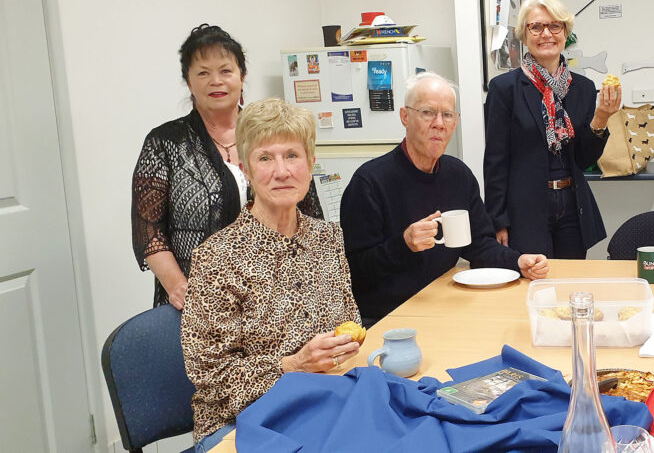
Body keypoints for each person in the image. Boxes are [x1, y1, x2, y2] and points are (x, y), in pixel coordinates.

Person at [181, 99, 361, 451]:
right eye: (265, 158)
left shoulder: (328, 239)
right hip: (240, 424)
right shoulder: (217, 258)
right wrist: (293, 366)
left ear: (310, 163)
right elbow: (212, 379)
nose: (282, 171)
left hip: (323, 402)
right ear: (245, 168)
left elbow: (348, 324)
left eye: (292, 156)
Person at [131, 24, 322, 309]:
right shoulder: (165, 142)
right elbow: (149, 230)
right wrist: (178, 287)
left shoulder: (271, 132)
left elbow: (309, 213)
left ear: (241, 77)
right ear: (188, 81)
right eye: (203, 73)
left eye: (225, 71)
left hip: (278, 296)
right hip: (199, 301)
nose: (215, 81)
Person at [340, 72, 548, 326]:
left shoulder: (458, 175)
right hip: (389, 318)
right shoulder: (369, 182)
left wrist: (518, 261)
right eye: (428, 112)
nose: (439, 123)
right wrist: (403, 244)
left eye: (447, 115)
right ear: (405, 117)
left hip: (444, 303)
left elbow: (479, 245)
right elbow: (353, 272)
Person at [483, 0, 620, 259]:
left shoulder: (582, 87)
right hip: (525, 207)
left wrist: (601, 117)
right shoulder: (504, 89)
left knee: (569, 282)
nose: (546, 33)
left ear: (565, 32)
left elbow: (584, 158)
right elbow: (495, 161)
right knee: (533, 283)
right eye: (536, 27)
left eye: (554, 26)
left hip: (571, 204)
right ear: (524, 34)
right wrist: (497, 219)